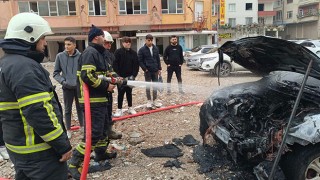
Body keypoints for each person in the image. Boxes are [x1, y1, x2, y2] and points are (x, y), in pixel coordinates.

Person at [0, 12, 72, 180]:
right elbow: (38, 111)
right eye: (43, 37)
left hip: (17, 148)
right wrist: (62, 145)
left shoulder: (5, 64)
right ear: (30, 37)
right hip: (40, 153)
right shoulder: (25, 67)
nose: (45, 42)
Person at [68, 25, 116, 179]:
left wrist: (116, 78)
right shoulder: (90, 53)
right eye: (103, 36)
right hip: (92, 101)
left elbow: (105, 72)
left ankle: (100, 154)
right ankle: (74, 162)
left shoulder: (99, 53)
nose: (105, 39)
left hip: (100, 99)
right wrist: (106, 86)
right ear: (97, 37)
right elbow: (87, 76)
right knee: (94, 133)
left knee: (103, 130)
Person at [53, 36, 84, 139]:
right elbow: (56, 73)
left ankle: (82, 127)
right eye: (65, 44)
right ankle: (68, 129)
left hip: (79, 87)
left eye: (69, 44)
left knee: (80, 108)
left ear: (74, 45)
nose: (66, 46)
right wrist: (63, 82)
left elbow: (84, 72)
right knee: (67, 109)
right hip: (67, 87)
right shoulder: (60, 56)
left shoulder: (81, 56)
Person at [102, 31, 122, 139]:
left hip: (108, 89)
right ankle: (102, 135)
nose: (109, 45)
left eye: (110, 43)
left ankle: (108, 132)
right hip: (100, 90)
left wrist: (117, 77)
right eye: (107, 43)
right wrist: (106, 85)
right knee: (101, 113)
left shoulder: (109, 55)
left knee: (108, 109)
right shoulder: (95, 55)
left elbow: (110, 70)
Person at [113, 36, 139, 117]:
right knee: (120, 93)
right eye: (126, 42)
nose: (128, 43)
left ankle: (130, 107)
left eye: (129, 42)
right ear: (122, 43)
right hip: (120, 77)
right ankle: (119, 109)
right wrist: (118, 76)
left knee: (129, 92)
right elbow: (115, 65)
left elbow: (136, 66)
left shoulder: (134, 53)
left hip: (130, 77)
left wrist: (133, 75)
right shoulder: (118, 52)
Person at [138, 34, 162, 108]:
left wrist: (159, 69)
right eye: (149, 40)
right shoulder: (142, 50)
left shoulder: (155, 48)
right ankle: (149, 101)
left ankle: (155, 100)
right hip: (147, 71)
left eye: (151, 40)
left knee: (155, 85)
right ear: (145, 40)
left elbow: (158, 59)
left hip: (155, 70)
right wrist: (145, 69)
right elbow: (140, 61)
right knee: (148, 86)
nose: (150, 42)